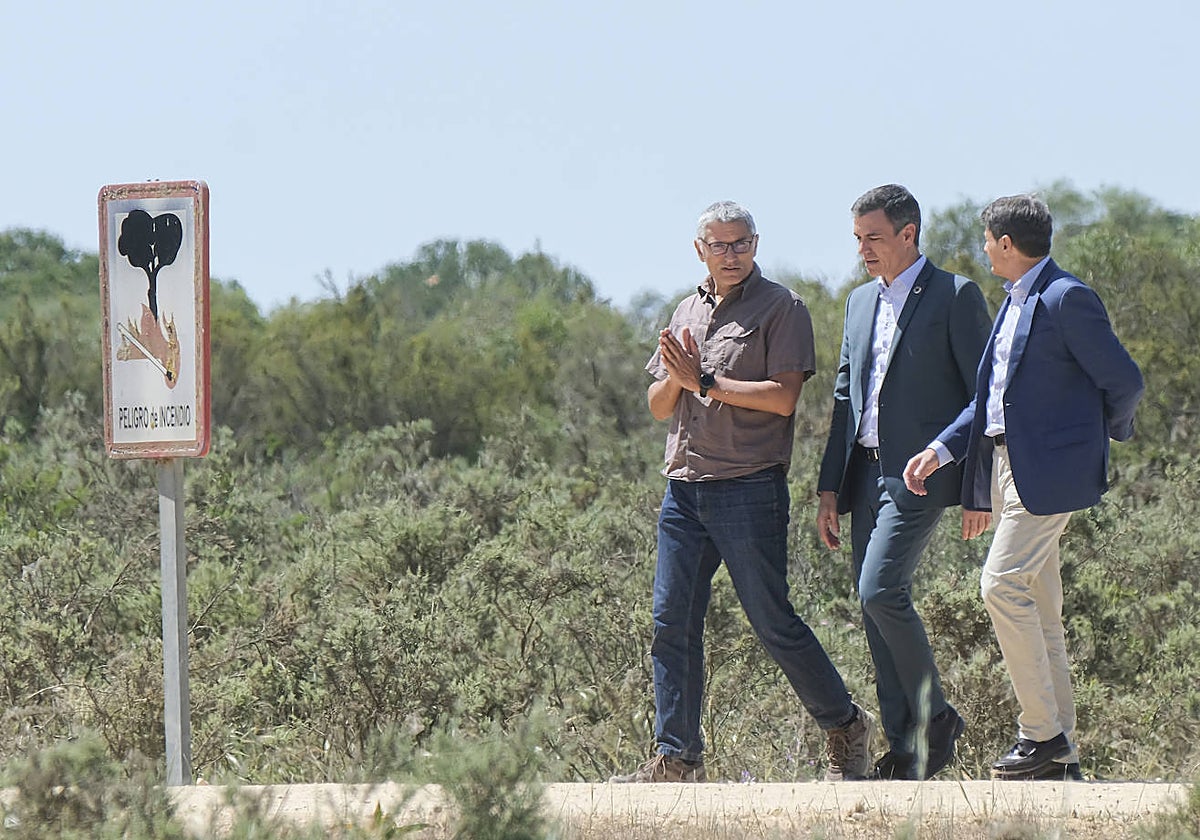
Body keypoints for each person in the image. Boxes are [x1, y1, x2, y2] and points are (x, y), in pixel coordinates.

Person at [611, 200, 875, 784]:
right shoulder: (686, 309)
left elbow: (783, 398)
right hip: (683, 490)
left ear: (756, 245)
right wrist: (678, 381)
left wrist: (703, 380)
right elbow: (658, 406)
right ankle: (677, 757)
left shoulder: (783, 307)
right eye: (720, 245)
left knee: (771, 620)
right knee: (671, 622)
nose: (731, 255)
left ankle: (845, 724)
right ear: (699, 250)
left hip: (749, 487)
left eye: (741, 244)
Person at [903, 194, 1144, 781]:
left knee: (1000, 586)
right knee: (1040, 608)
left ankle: (1040, 734)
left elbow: (1125, 382)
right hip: (1007, 470)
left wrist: (1090, 440)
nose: (985, 249)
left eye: (988, 240)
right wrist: (940, 449)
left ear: (1006, 243)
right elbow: (990, 401)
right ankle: (1062, 755)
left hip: (1047, 475)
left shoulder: (1066, 297)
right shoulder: (1015, 301)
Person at [816, 185, 992, 780]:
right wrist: (830, 488)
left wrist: (976, 487)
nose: (863, 249)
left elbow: (984, 397)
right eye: (857, 238)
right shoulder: (858, 301)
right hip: (862, 475)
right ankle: (907, 749)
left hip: (919, 476)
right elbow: (844, 397)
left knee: (880, 591)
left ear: (908, 234)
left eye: (874, 237)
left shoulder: (956, 295)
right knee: (873, 611)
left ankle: (935, 719)